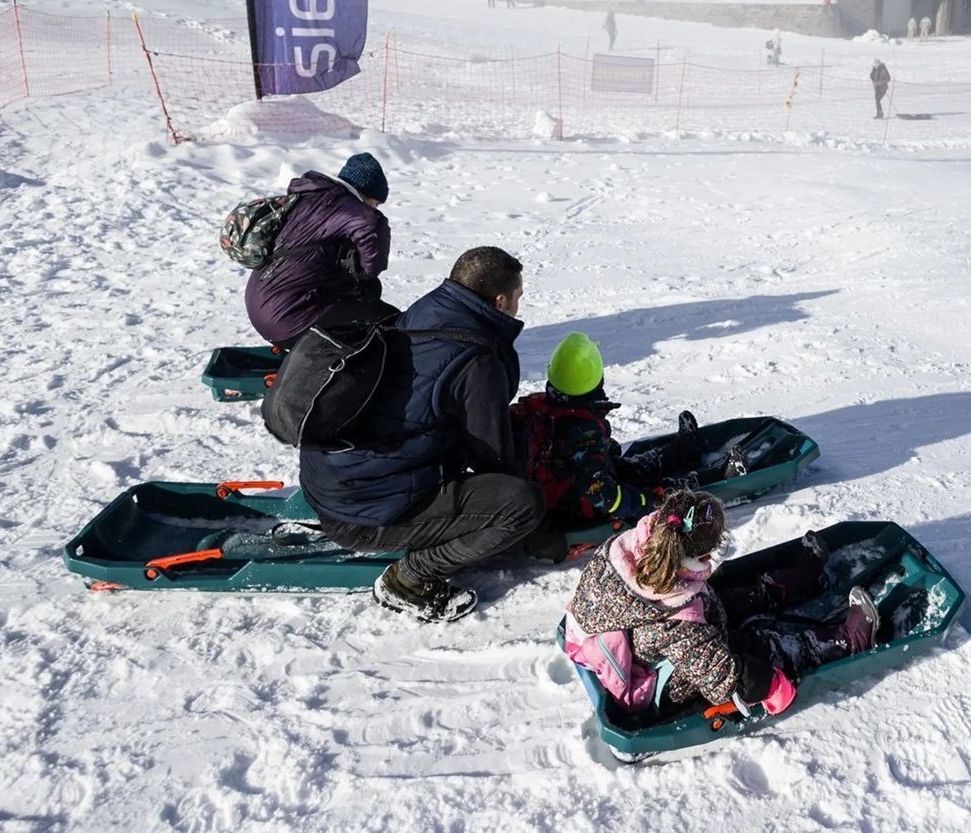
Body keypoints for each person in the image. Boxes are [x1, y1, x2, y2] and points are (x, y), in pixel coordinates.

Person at [300, 247, 542, 622]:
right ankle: (410, 579)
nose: (518, 305)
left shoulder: (425, 312)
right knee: (520, 505)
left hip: (334, 479)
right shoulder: (476, 358)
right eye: (518, 297)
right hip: (361, 513)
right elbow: (493, 460)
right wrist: (536, 523)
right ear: (500, 300)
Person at [565, 491, 879, 715]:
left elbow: (687, 603)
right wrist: (768, 686)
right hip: (670, 672)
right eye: (706, 555)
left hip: (651, 629)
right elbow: (720, 672)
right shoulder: (677, 627)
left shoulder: (631, 549)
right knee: (756, 647)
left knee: (719, 595)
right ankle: (845, 641)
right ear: (688, 558)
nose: (710, 560)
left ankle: (788, 585)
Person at [513, 332, 706, 538]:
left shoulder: (549, 408)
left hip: (564, 490)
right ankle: (699, 481)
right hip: (576, 508)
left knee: (628, 467)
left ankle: (680, 452)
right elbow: (602, 493)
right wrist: (645, 502)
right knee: (646, 484)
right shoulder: (580, 429)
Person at [244, 152, 392, 347]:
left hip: (262, 306)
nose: (376, 207)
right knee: (390, 324)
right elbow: (372, 246)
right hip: (288, 317)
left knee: (367, 293)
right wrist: (362, 271)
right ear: (367, 193)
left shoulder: (311, 199)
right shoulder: (346, 207)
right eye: (376, 203)